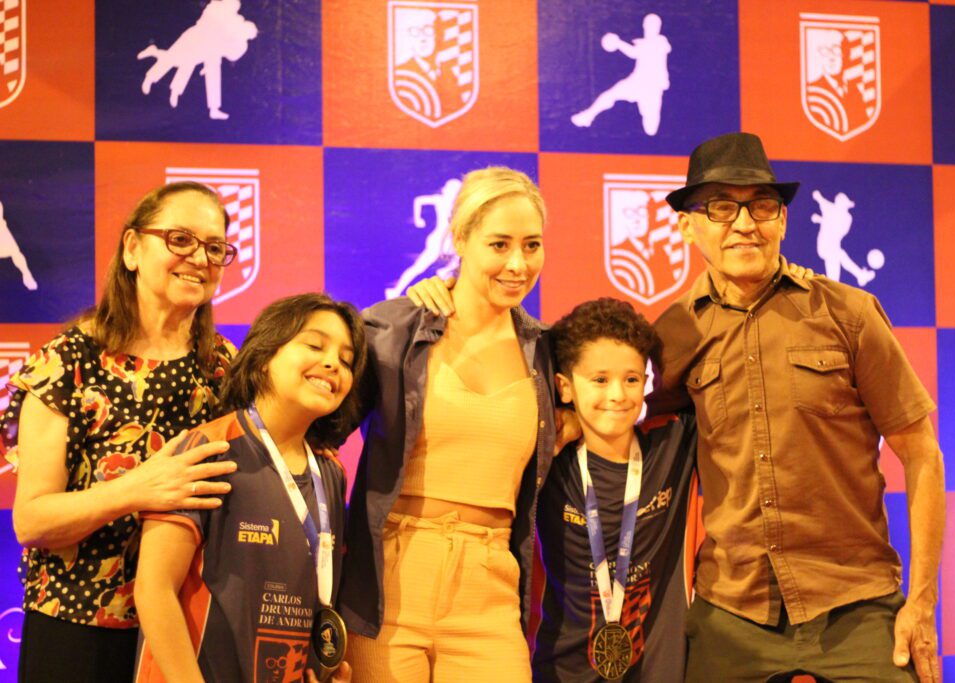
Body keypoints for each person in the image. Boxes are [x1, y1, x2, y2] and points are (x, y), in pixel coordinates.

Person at [652, 132, 945, 682]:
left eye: (762, 205)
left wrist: (922, 603)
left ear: (783, 220)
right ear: (687, 226)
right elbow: (616, 422)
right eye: (721, 207)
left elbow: (922, 454)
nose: (745, 223)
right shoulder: (673, 333)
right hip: (731, 612)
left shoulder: (849, 313)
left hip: (857, 604)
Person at [1, 181, 242, 682]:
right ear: (132, 248)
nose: (200, 258)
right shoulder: (68, 361)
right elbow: (32, 521)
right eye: (180, 239)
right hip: (78, 632)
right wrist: (137, 488)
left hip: (187, 632)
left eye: (215, 247)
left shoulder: (224, 366)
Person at [340, 167, 556, 682]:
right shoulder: (396, 328)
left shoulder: (550, 352)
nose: (518, 263)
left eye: (531, 245)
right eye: (499, 244)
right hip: (390, 584)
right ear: (460, 239)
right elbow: (316, 428)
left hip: (490, 590)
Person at [134, 293, 366, 683]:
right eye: (314, 345)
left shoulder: (331, 473)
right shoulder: (209, 449)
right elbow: (154, 589)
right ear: (262, 357)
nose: (332, 364)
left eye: (346, 360)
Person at [533, 298, 698, 682]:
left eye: (632, 379)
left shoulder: (673, 443)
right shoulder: (547, 459)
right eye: (600, 380)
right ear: (565, 387)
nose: (618, 395)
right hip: (562, 672)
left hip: (659, 673)